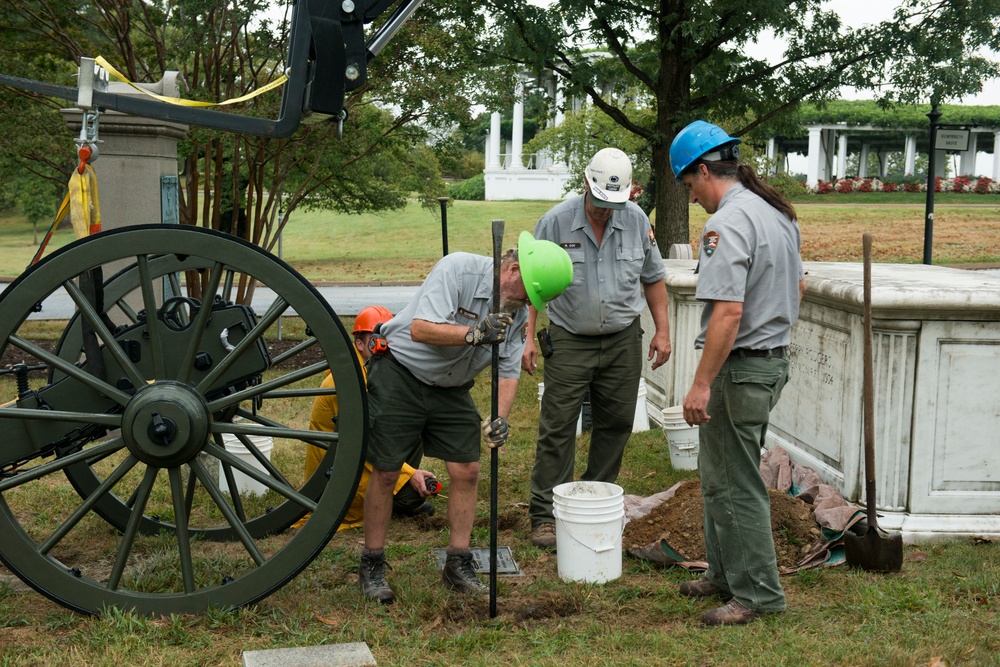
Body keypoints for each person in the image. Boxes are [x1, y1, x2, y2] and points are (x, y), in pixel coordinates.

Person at [358, 232, 573, 604]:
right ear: (512, 269)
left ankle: (458, 562)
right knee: (388, 469)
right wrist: (474, 333)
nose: (526, 304)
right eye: (527, 294)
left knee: (468, 469)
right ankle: (372, 563)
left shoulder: (516, 313)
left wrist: (500, 418)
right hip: (400, 372)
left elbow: (508, 370)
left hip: (451, 388)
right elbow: (420, 328)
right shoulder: (456, 269)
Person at [668, 120, 806, 626]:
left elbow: (727, 313)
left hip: (740, 368)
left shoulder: (726, 223)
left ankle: (757, 595)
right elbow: (798, 290)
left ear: (703, 171)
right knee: (718, 472)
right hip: (768, 363)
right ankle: (725, 574)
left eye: (689, 186)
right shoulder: (776, 212)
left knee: (735, 481)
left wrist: (701, 382)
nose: (693, 196)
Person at [521, 147, 672, 549]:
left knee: (618, 421)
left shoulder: (637, 220)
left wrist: (663, 331)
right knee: (557, 426)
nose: (607, 211)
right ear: (586, 185)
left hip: (623, 337)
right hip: (569, 338)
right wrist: (528, 335)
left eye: (614, 204)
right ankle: (544, 514)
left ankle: (592, 498)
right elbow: (532, 281)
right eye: (601, 202)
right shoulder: (554, 223)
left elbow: (653, 277)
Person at [293, 305, 436, 532]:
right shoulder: (345, 383)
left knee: (414, 425)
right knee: (412, 497)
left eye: (387, 338)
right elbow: (362, 441)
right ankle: (393, 500)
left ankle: (394, 491)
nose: (384, 345)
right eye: (375, 339)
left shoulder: (374, 370)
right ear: (359, 345)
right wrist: (409, 474)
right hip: (343, 474)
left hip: (363, 457)